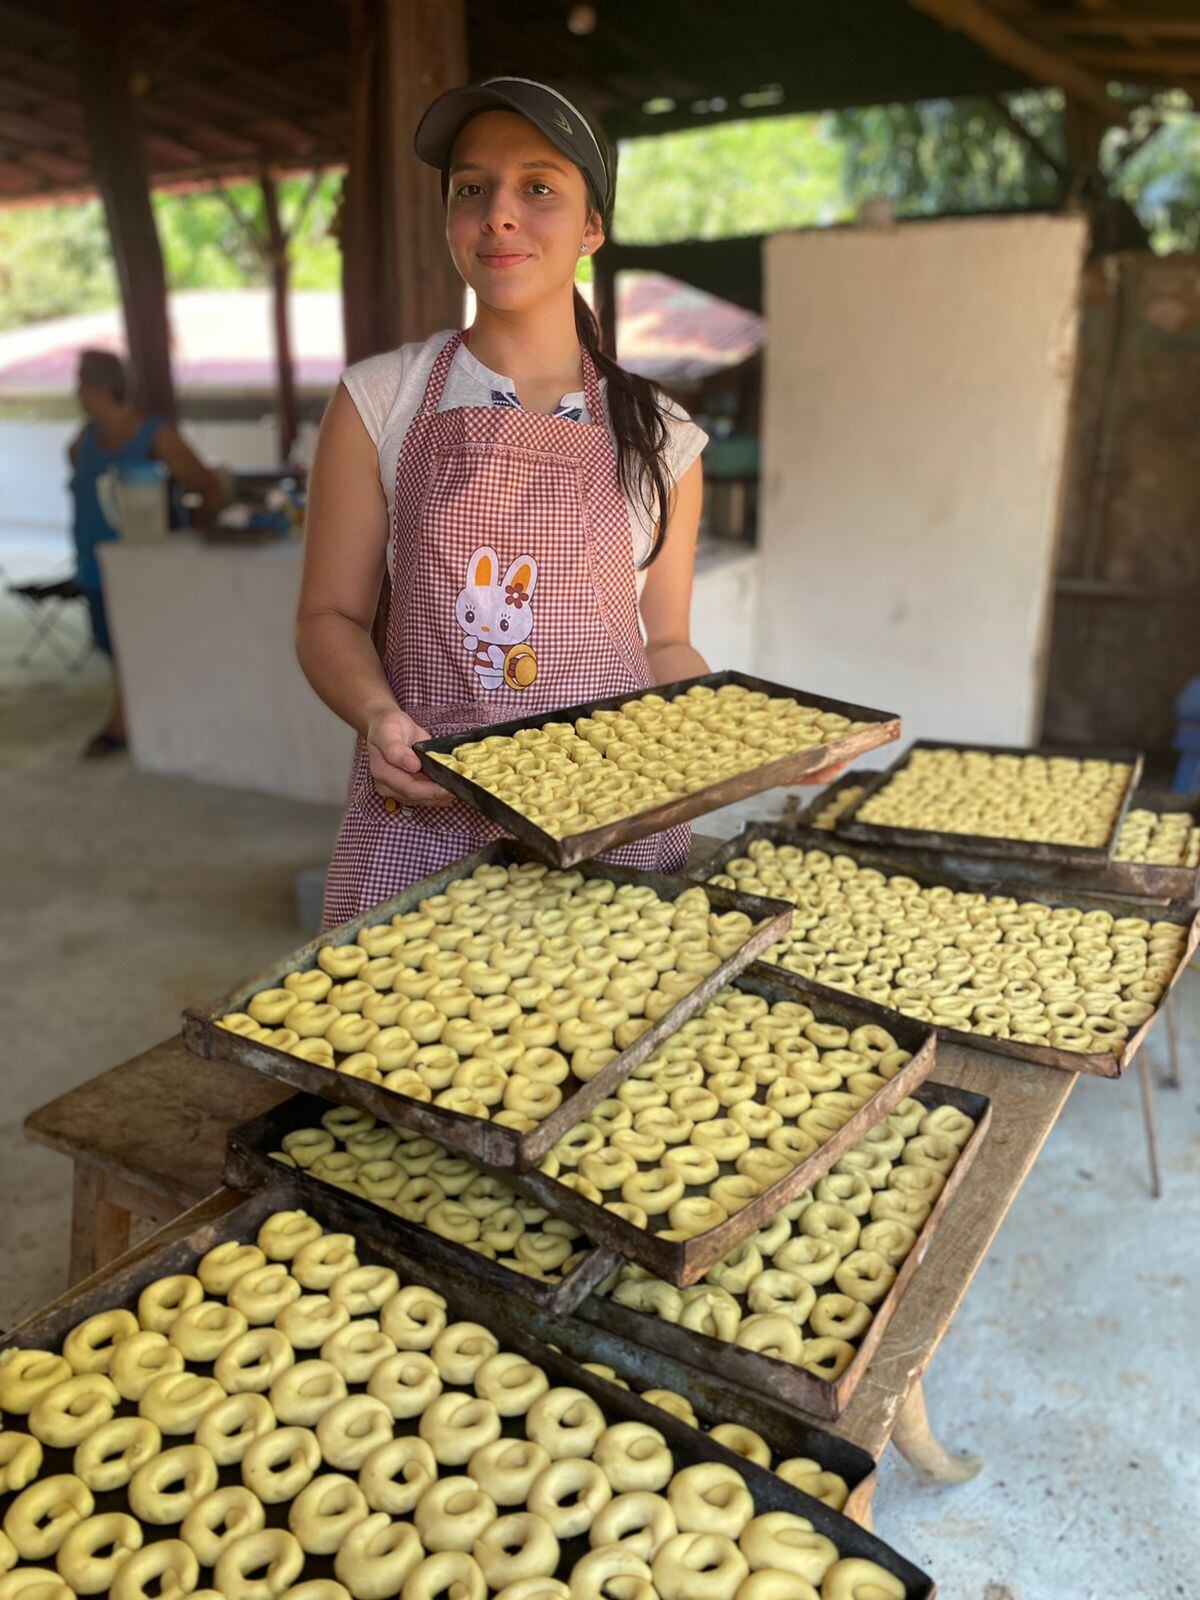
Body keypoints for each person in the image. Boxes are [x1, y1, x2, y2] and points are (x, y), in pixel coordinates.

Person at [299, 76, 844, 929]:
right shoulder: (380, 400)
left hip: (612, 831)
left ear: (592, 227)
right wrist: (378, 718)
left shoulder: (661, 436)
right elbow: (329, 616)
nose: (499, 215)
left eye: (538, 188)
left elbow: (663, 645)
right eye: (471, 190)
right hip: (427, 819)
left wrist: (751, 736)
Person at [67, 348, 222, 757]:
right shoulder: (85, 439)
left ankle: (122, 724)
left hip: (145, 564)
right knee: (108, 640)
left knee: (135, 640)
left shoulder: (154, 434)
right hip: (94, 560)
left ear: (99, 386)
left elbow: (205, 482)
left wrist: (199, 528)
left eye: (80, 383)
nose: (76, 393)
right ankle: (132, 717)